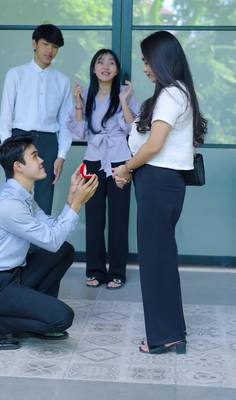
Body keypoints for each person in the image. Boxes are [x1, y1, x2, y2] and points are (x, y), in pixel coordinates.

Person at [113, 31, 207, 353]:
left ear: (162, 60)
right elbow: (141, 135)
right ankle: (173, 330)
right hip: (160, 182)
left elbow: (154, 146)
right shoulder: (174, 94)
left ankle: (165, 336)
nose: (144, 67)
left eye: (146, 60)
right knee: (161, 261)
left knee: (155, 263)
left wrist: (126, 168)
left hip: (158, 182)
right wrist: (130, 169)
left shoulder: (171, 95)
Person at [0, 134, 98, 350]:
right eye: (35, 156)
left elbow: (52, 232)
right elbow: (51, 239)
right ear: (18, 166)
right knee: (62, 317)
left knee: (63, 251)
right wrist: (76, 204)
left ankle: (33, 318)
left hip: (13, 276)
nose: (42, 160)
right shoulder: (9, 204)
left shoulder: (23, 196)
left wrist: (71, 197)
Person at [68, 49, 138, 289]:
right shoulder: (86, 95)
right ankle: (95, 271)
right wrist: (78, 104)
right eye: (100, 62)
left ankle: (117, 271)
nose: (105, 66)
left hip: (120, 161)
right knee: (94, 219)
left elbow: (133, 131)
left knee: (119, 219)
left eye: (111, 62)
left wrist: (123, 102)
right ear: (94, 68)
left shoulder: (125, 93)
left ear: (117, 69)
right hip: (93, 161)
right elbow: (78, 133)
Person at [0, 24, 72, 215]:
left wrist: (61, 155)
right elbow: (5, 116)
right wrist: (8, 150)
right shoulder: (16, 74)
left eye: (55, 46)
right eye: (45, 44)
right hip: (20, 139)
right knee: (17, 195)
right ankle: (17, 245)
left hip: (48, 142)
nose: (50, 50)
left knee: (44, 198)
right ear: (34, 44)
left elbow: (66, 123)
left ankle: (39, 245)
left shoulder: (62, 81)